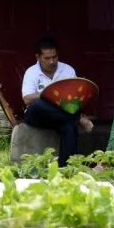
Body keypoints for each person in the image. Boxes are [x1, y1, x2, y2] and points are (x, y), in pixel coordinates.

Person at [21, 36, 94, 165]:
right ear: (38, 57)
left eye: (54, 57)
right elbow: (27, 99)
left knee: (69, 127)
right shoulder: (31, 72)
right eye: (47, 58)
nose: (52, 61)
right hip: (38, 116)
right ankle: (78, 119)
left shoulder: (67, 70)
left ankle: (67, 168)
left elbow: (76, 98)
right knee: (38, 104)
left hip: (61, 116)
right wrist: (47, 94)